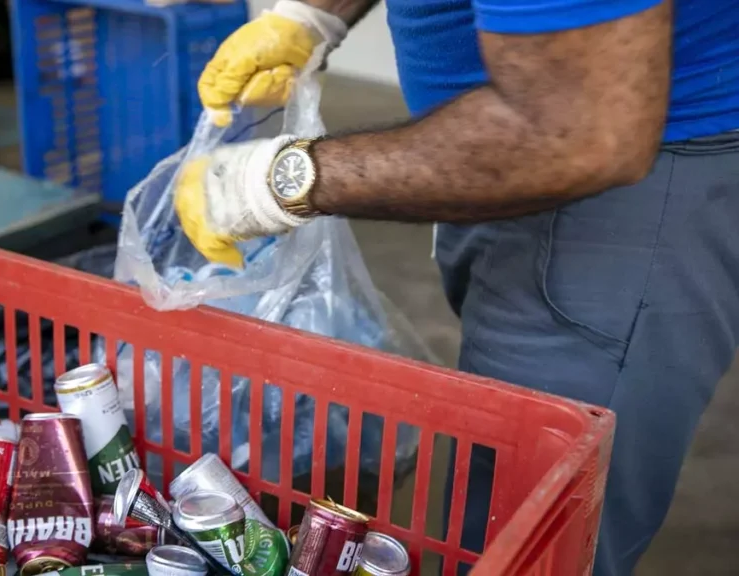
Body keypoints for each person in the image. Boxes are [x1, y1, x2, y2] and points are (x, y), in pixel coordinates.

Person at [173, 0, 739, 573]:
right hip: (489, 151)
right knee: (497, 474)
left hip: (616, 189)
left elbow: (575, 134)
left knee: (531, 533)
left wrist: (280, 182)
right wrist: (312, 16)